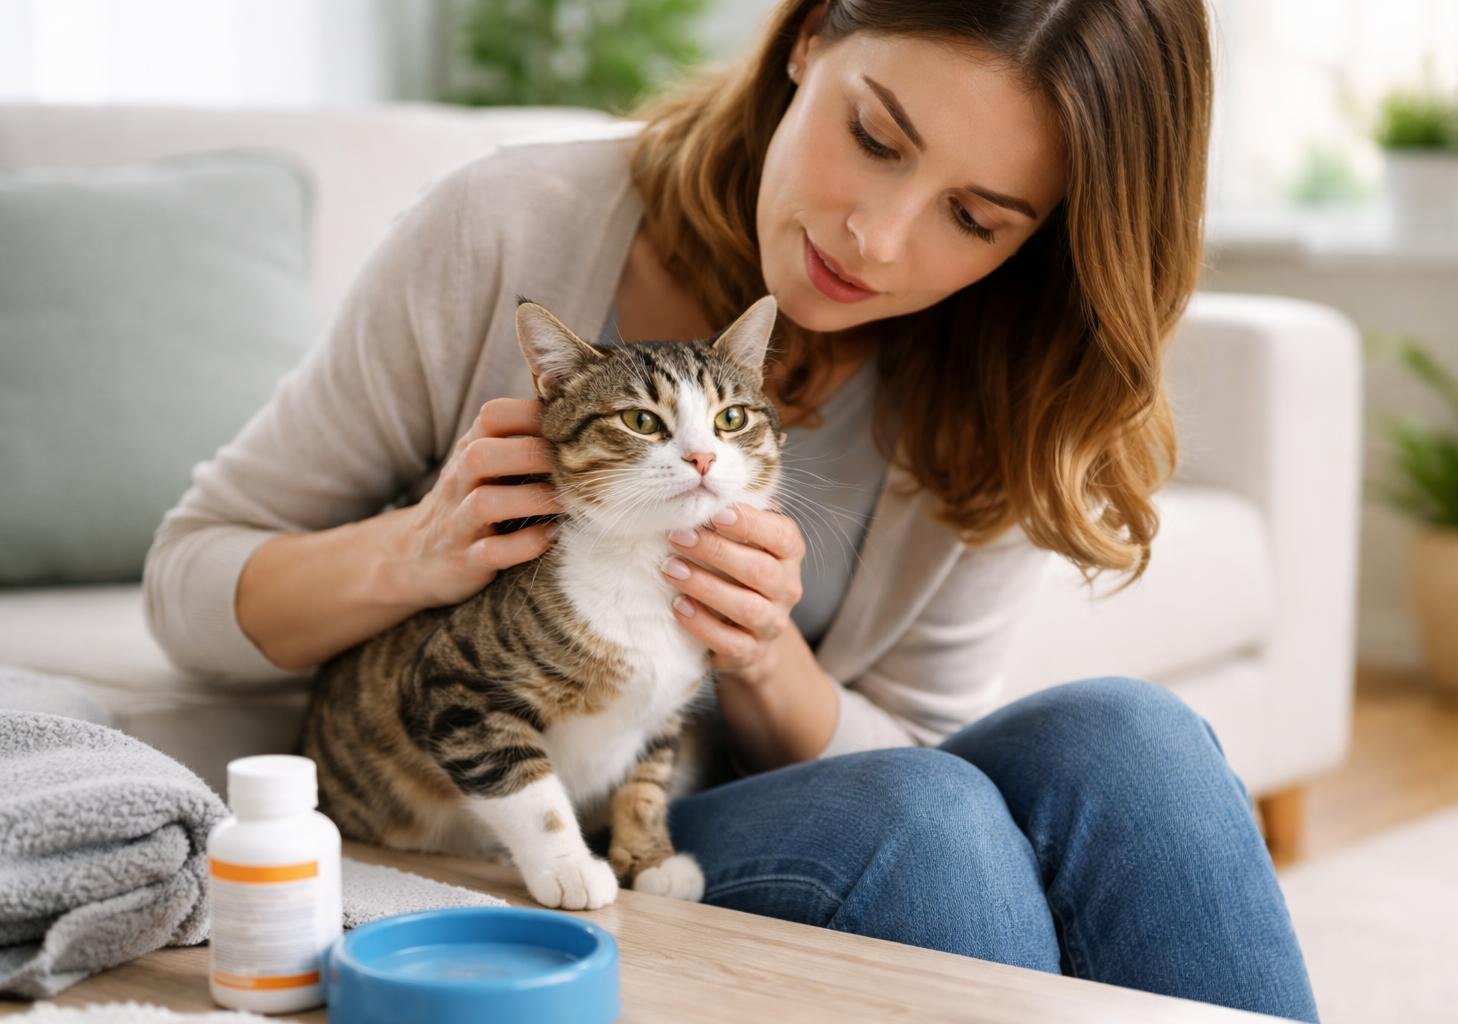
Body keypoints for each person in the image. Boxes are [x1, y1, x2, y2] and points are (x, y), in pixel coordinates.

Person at [144, 1, 1320, 1019]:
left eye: (976, 218)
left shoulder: (1013, 386)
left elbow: (917, 741)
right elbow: (188, 584)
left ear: (1042, 235)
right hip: (524, 809)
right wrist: (417, 549)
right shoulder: (511, 226)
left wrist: (760, 654)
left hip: (710, 808)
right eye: (875, 137)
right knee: (928, 823)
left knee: (1135, 737)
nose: (877, 238)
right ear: (808, 37)